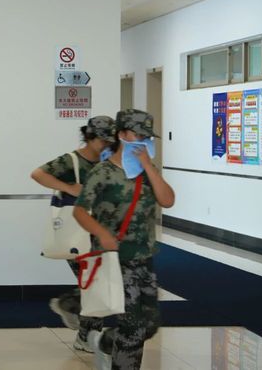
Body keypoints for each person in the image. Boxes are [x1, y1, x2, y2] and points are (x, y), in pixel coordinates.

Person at [73, 109, 175, 370]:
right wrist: (102, 233)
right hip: (115, 258)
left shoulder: (147, 171)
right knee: (133, 325)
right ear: (122, 135)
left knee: (149, 324)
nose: (143, 141)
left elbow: (167, 200)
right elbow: (80, 211)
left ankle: (105, 342)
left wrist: (148, 166)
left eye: (147, 137)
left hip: (144, 256)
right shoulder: (103, 172)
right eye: (138, 135)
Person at [31, 116, 116, 352]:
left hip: (101, 232)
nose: (107, 145)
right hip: (77, 234)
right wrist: (69, 188)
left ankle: (76, 318)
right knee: (95, 284)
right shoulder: (71, 161)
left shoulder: (109, 162)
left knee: (96, 285)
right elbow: (38, 174)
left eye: (110, 141)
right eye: (103, 141)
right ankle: (85, 331)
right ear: (89, 137)